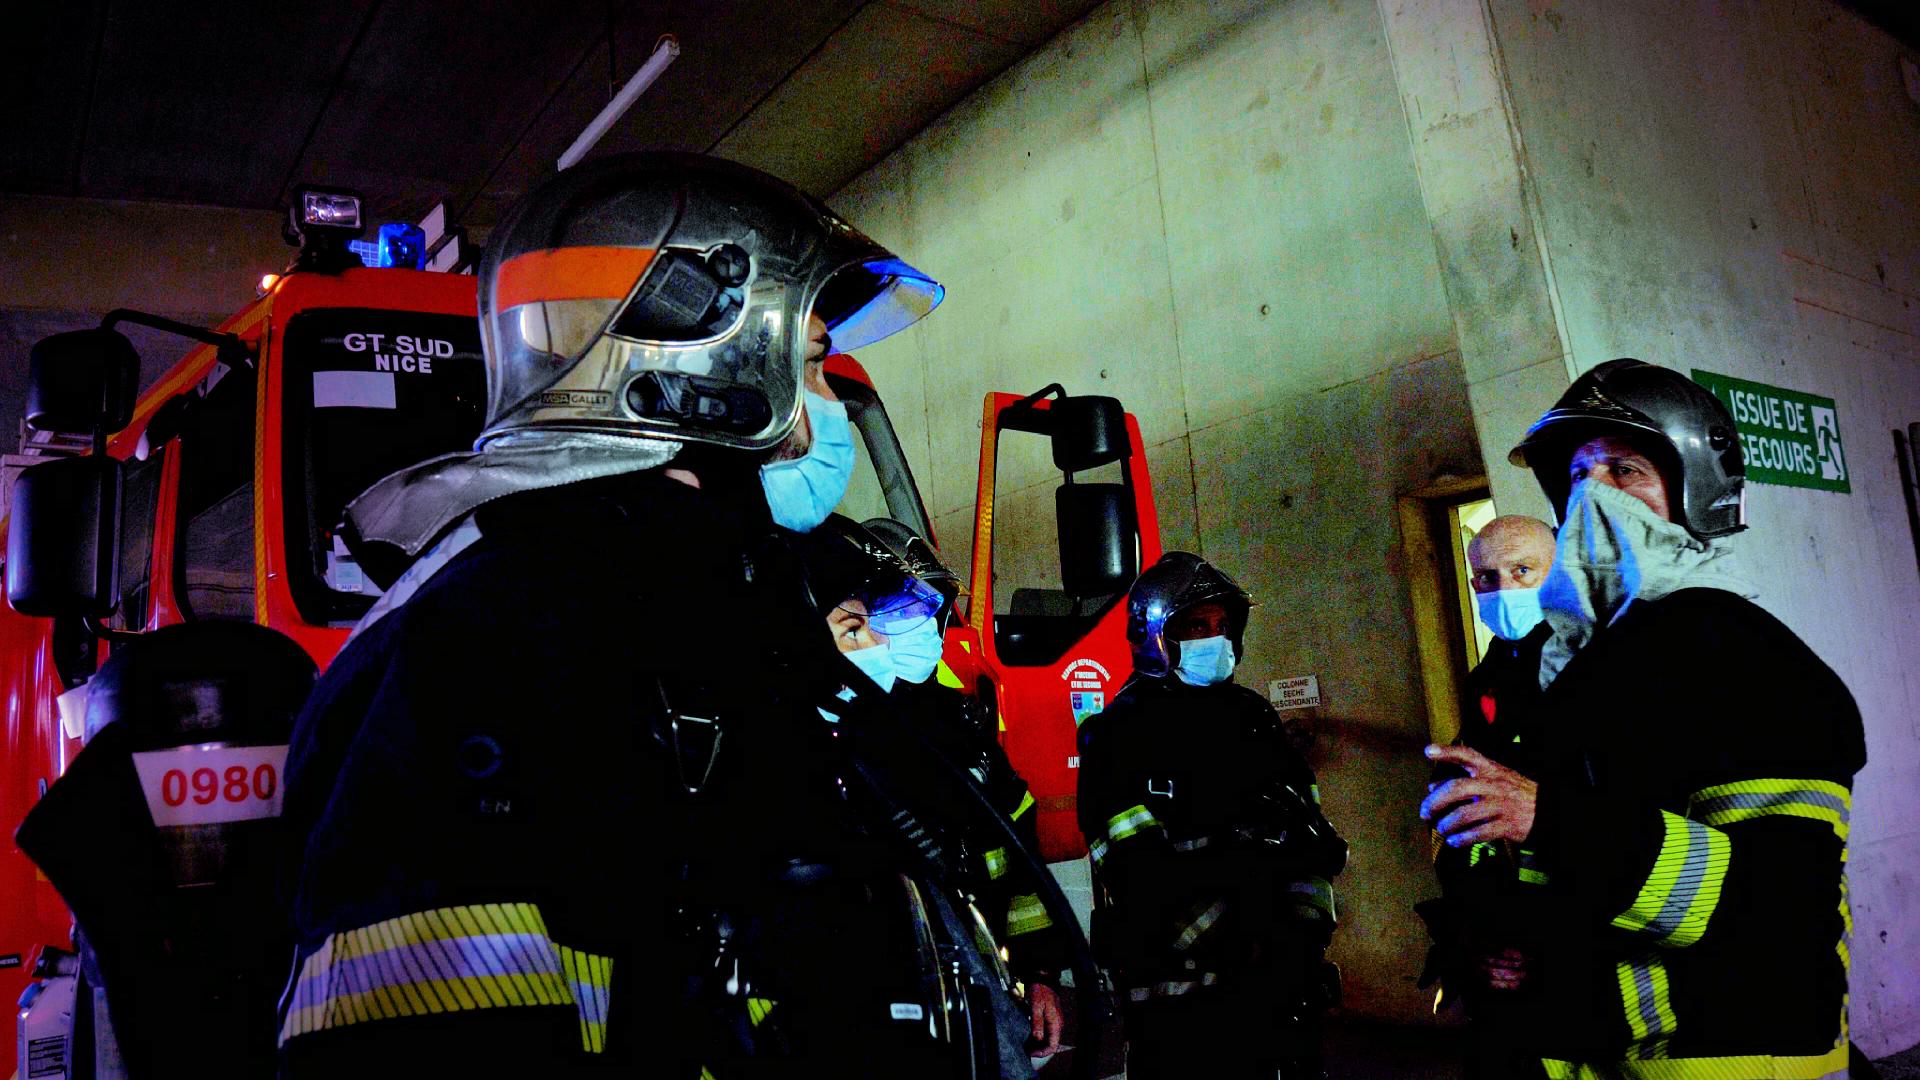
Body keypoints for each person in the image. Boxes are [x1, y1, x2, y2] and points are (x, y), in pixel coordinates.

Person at [278, 153, 961, 1076]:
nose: (826, 406)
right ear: (699, 363)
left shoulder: (671, 591)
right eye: (812, 367)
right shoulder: (515, 618)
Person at [1419, 359, 1865, 1078]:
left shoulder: (1749, 660)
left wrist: (1549, 819)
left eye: (1625, 472)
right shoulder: (1592, 667)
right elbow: (1574, 883)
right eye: (1577, 477)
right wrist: (1492, 941)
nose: (1595, 499)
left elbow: (1779, 914)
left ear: (1697, 492)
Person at [1076, 552, 1345, 1080]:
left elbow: (1311, 840)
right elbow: (1136, 872)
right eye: (1197, 626)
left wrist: (1300, 937)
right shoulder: (1119, 732)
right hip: (1176, 991)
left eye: (1223, 626)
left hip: (1280, 977)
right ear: (1157, 636)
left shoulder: (1253, 717)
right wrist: (1241, 931)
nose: (1215, 640)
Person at [861, 516, 1069, 1060]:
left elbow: (1021, 854)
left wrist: (1040, 974)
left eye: (930, 610)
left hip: (981, 990)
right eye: (902, 610)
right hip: (889, 1005)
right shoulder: (839, 735)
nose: (924, 627)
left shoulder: (961, 727)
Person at [1416, 514, 1556, 1077]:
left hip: (1577, 955)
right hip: (1498, 954)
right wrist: (1474, 938)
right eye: (1487, 579)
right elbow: (1471, 826)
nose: (1505, 591)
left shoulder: (1597, 673)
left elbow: (1616, 827)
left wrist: (1540, 948)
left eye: (1524, 570)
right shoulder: (1488, 681)